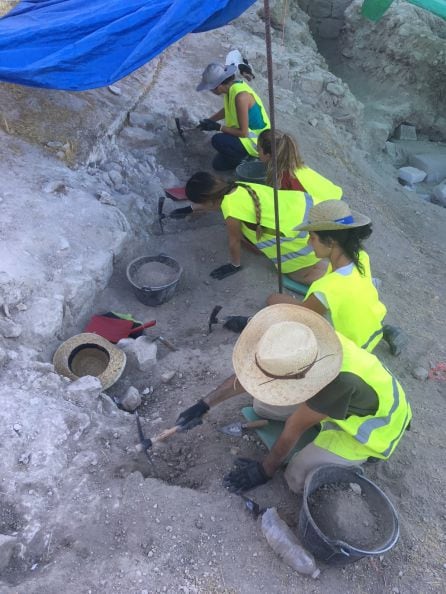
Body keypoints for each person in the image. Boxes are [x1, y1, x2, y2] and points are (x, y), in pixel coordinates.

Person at [174, 305, 412, 494]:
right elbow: (249, 376)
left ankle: (354, 460)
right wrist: (205, 404)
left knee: (295, 478)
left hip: (375, 430)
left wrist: (265, 469)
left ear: (298, 374)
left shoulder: (336, 382)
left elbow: (292, 430)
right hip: (343, 394)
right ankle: (322, 418)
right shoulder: (300, 338)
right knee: (262, 406)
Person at [267, 200, 405, 354]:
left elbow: (303, 315)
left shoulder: (327, 289)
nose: (308, 243)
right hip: (372, 331)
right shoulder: (361, 257)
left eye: (312, 237)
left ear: (330, 242)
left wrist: (276, 299)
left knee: (276, 307)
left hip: (353, 351)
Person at [184, 171, 341, 283]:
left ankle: (338, 280)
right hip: (314, 212)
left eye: (200, 203)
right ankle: (332, 254)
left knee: (299, 275)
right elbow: (216, 204)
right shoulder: (238, 185)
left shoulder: (230, 210)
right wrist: (192, 208)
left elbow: (234, 241)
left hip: (302, 236)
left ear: (208, 200)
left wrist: (234, 265)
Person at [196, 62, 270, 171]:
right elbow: (228, 109)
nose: (210, 91)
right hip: (250, 137)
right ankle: (239, 155)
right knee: (218, 164)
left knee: (217, 140)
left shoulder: (241, 97)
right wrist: (210, 120)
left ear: (219, 86)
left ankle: (248, 158)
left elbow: (243, 133)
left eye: (211, 88)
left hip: (258, 144)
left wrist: (217, 127)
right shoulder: (233, 89)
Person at [257, 129, 342, 199]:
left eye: (259, 149)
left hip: (330, 212)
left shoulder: (282, 180)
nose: (257, 152)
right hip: (335, 197)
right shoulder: (295, 165)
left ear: (268, 155)